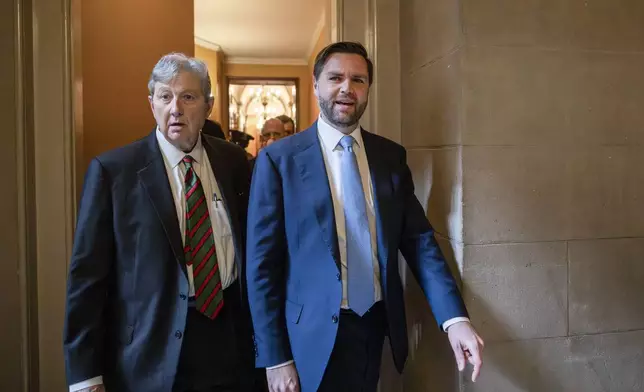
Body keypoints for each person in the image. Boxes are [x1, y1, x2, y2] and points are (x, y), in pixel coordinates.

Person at [246, 42, 484, 392]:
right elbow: (261, 267)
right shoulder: (279, 161)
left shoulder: (390, 157)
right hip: (306, 337)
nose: (347, 88)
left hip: (373, 326)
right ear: (315, 85)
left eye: (358, 79)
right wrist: (275, 358)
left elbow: (418, 242)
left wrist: (455, 319)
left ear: (367, 89)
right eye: (335, 77)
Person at [63, 53, 264, 392]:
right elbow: (87, 280)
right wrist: (85, 375)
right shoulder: (114, 172)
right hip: (150, 356)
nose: (176, 108)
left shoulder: (235, 163)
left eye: (188, 97)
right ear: (151, 103)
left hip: (231, 346)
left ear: (208, 105)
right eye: (165, 96)